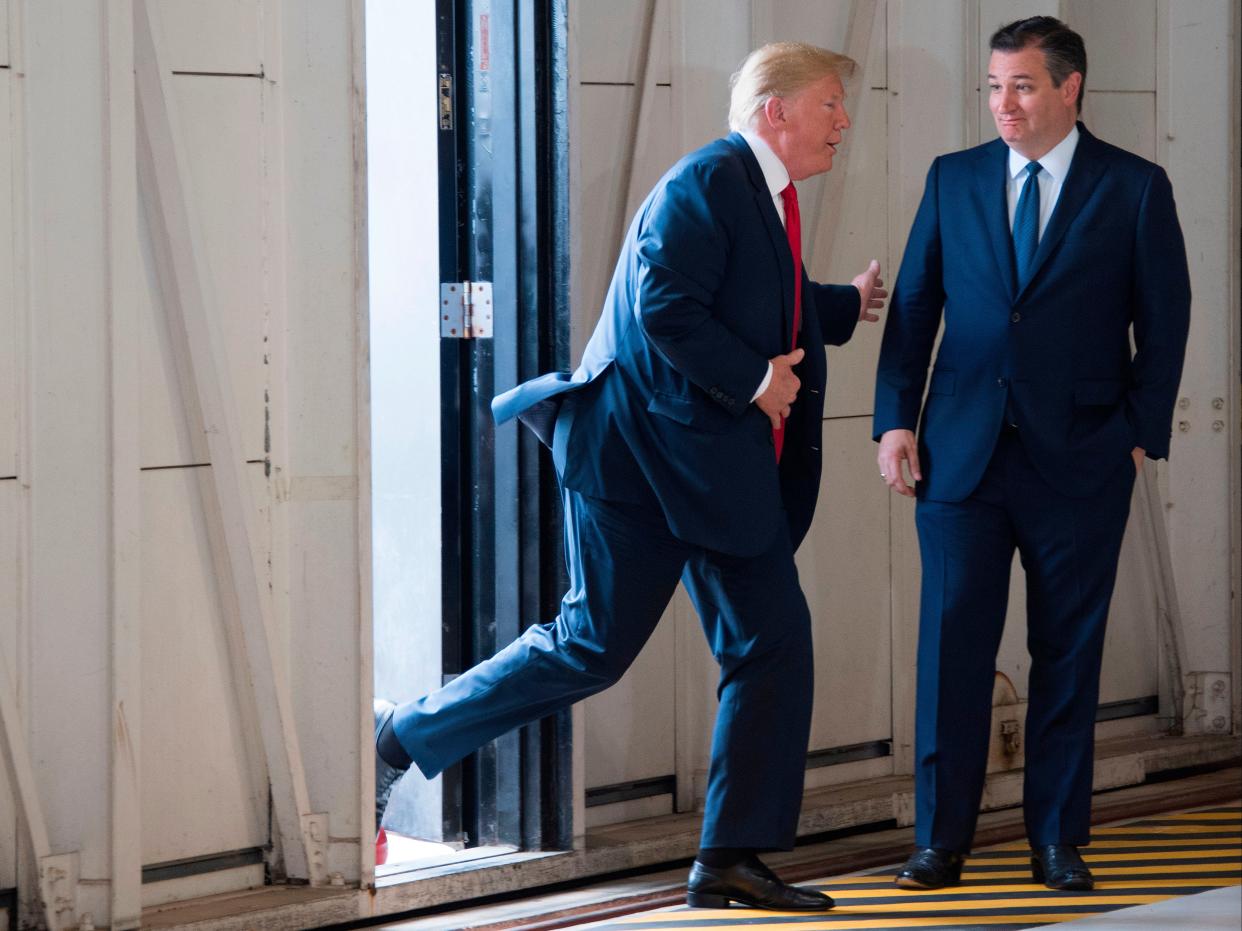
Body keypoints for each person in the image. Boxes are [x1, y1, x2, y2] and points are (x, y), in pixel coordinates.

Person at [374, 41, 885, 911]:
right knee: (590, 648)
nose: (844, 121)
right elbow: (665, 306)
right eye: (830, 103)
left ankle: (729, 854)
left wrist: (845, 304)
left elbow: (764, 293)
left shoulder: (764, 198)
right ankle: (397, 739)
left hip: (712, 477)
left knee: (774, 640)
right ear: (777, 113)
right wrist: (763, 380)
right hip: (640, 470)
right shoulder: (709, 181)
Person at [874, 16, 1190, 893]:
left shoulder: (1134, 188)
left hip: (1083, 460)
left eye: (1021, 86)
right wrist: (895, 420)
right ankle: (941, 841)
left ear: (1069, 87)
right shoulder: (954, 179)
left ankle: (1057, 838)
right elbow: (914, 312)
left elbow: (1165, 324)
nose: (1003, 104)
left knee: (1067, 655)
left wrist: (1137, 435)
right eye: (993, 87)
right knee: (950, 654)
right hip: (958, 459)